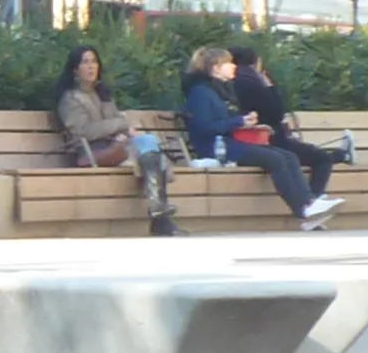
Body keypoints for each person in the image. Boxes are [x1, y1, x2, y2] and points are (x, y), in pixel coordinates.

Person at [184, 43, 341, 228]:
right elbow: (204, 127)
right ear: (216, 68)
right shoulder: (201, 93)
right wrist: (239, 122)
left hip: (230, 143)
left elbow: (221, 120)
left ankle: (308, 206)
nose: (234, 66)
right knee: (274, 159)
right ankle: (303, 209)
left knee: (288, 156)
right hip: (217, 148)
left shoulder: (219, 90)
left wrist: (248, 122)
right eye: (228, 63)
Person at [50, 44, 179, 236]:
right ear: (75, 69)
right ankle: (160, 218)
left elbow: (118, 124)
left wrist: (126, 132)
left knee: (148, 142)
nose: (91, 66)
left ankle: (158, 211)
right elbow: (82, 132)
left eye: (94, 61)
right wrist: (120, 126)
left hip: (116, 147)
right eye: (85, 62)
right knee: (150, 152)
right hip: (93, 152)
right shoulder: (70, 98)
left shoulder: (103, 94)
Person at [225, 44, 351, 198]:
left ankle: (342, 155)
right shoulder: (250, 81)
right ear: (254, 63)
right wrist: (269, 86)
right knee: (321, 159)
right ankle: (314, 199)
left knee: (304, 155)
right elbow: (275, 111)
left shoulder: (227, 83)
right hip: (267, 138)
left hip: (250, 140)